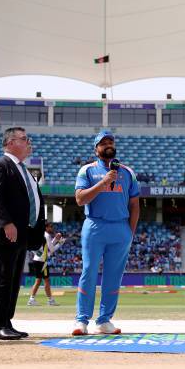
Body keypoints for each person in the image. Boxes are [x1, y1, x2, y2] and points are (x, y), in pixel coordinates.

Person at [0, 127, 46, 340]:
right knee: (2, 279)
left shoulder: (25, 170)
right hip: (5, 232)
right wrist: (6, 222)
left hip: (22, 234)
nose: (29, 142)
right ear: (9, 143)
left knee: (13, 280)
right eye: (24, 139)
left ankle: (7, 322)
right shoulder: (0, 165)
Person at [72, 130, 140, 335]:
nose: (108, 144)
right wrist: (103, 183)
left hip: (120, 228)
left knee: (113, 276)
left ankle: (104, 320)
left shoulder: (128, 172)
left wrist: (131, 232)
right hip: (95, 225)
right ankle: (81, 320)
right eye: (103, 142)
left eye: (111, 141)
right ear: (96, 149)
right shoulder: (87, 171)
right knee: (89, 272)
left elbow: (135, 204)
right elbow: (80, 199)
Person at [27, 222, 65, 306]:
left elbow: (47, 247)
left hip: (38, 259)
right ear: (46, 227)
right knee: (46, 281)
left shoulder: (42, 234)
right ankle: (49, 300)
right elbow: (51, 250)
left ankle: (32, 299)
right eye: (51, 227)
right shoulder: (47, 235)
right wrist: (60, 243)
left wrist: (55, 239)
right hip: (42, 261)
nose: (52, 228)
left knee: (39, 280)